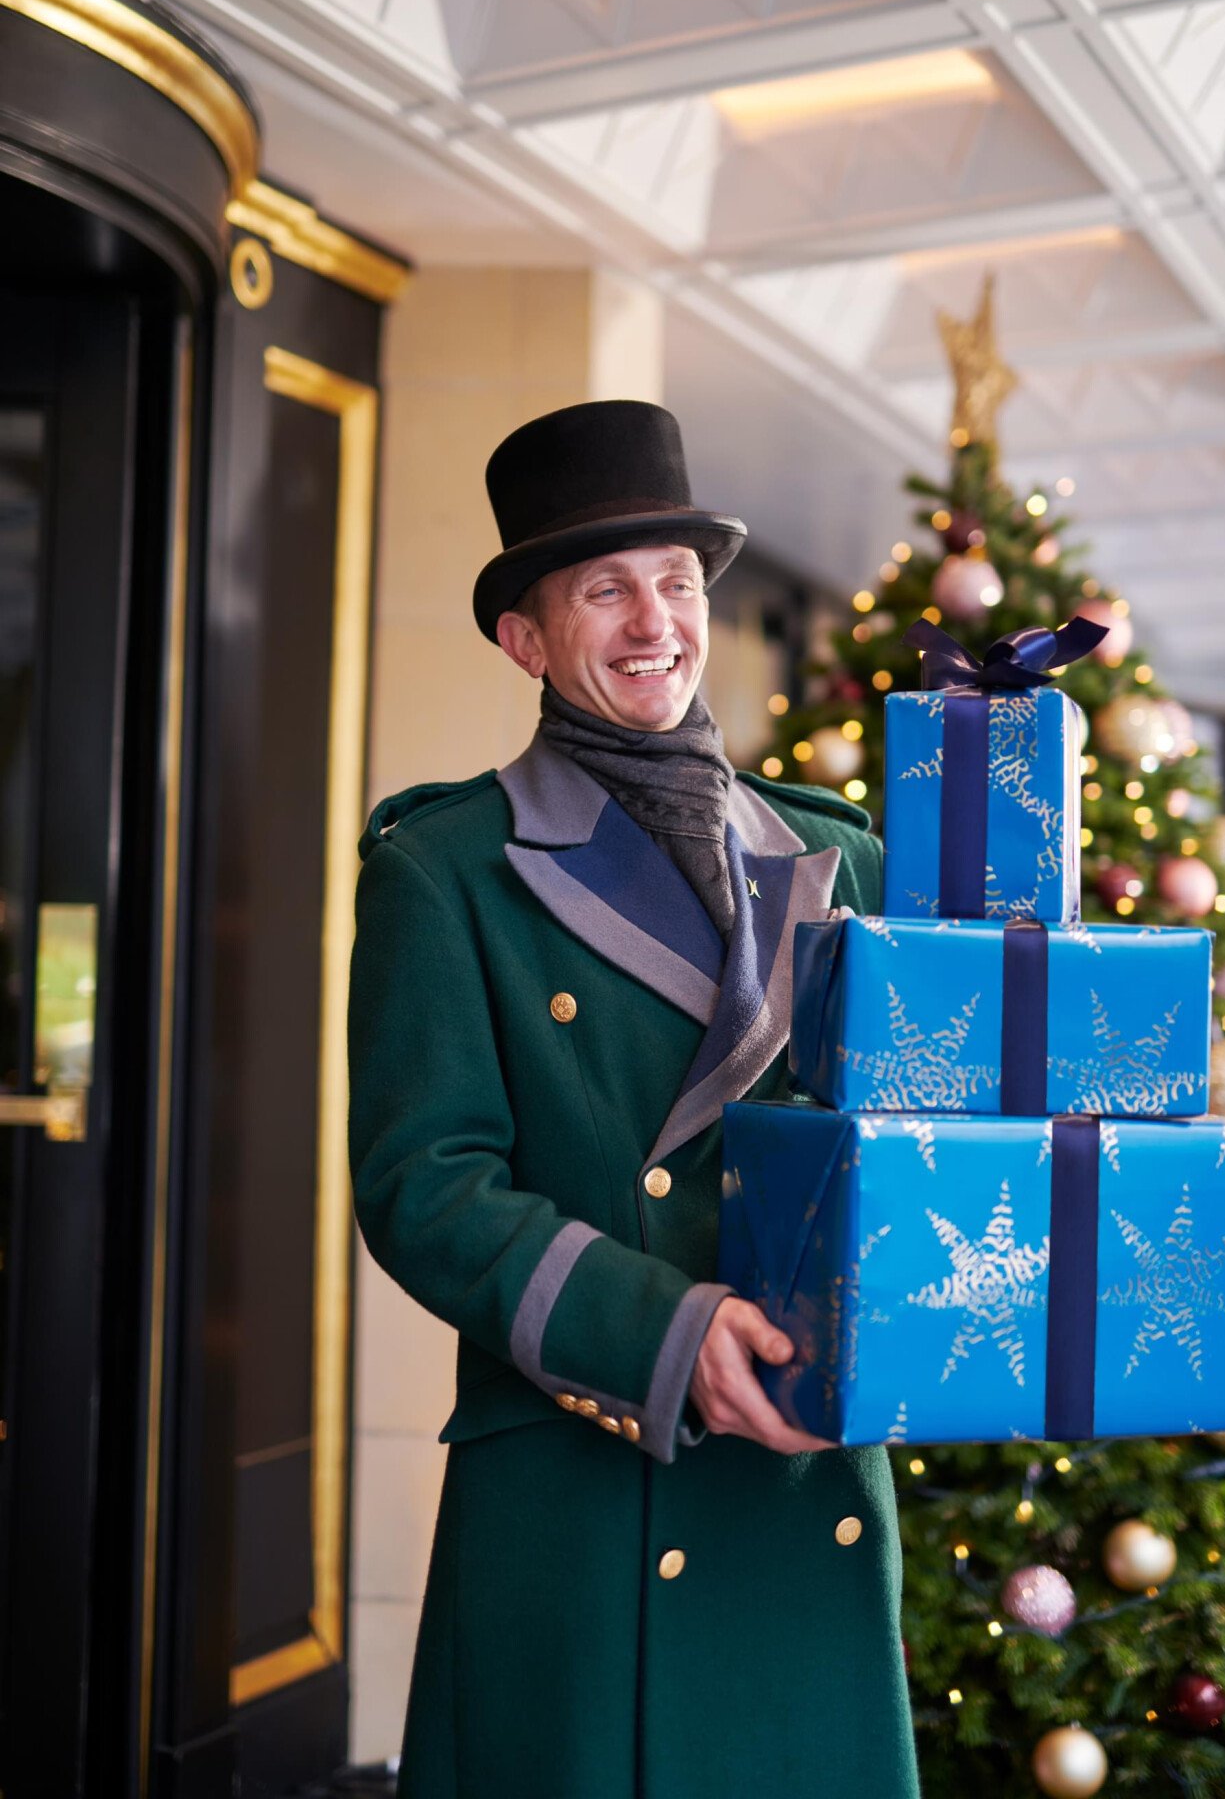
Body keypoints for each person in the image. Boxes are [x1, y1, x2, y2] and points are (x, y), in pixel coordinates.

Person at [348, 400, 920, 1799]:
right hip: (589, 1467)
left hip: (803, 1451)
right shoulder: (445, 867)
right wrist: (661, 1328)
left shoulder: (839, 854)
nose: (654, 619)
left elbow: (920, 1129)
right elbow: (425, 1185)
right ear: (525, 640)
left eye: (675, 582)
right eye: (605, 589)